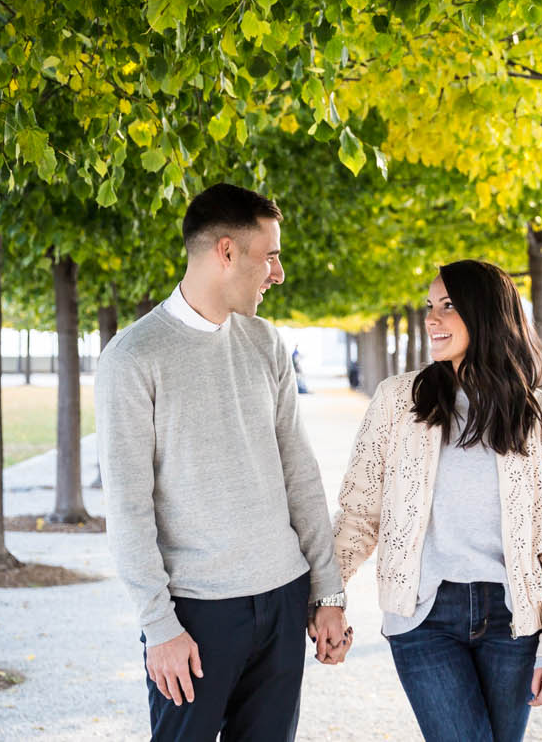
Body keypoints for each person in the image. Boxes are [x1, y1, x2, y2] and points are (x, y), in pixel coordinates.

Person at [97, 183, 350, 742]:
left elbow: (300, 474)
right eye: (271, 255)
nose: (278, 273)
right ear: (227, 252)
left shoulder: (266, 343)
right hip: (196, 615)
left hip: (283, 600)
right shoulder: (133, 358)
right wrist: (158, 625)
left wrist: (327, 594)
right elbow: (128, 507)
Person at [331, 260, 542, 742]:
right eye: (431, 306)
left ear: (486, 314)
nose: (432, 318)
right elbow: (361, 511)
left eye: (448, 306)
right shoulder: (397, 400)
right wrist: (327, 595)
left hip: (513, 620)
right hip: (424, 613)